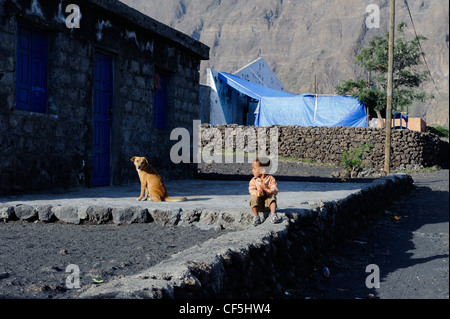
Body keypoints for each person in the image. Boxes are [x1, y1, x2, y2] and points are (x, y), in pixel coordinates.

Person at [249, 157, 282, 226]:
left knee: (272, 197)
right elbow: (251, 190)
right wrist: (258, 193)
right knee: (253, 198)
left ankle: (273, 214)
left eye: (254, 169)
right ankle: (256, 217)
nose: (252, 171)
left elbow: (275, 190)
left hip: (268, 205)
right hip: (259, 204)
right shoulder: (253, 180)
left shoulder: (270, 179)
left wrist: (267, 192)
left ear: (263, 170)